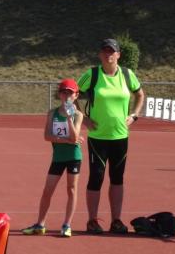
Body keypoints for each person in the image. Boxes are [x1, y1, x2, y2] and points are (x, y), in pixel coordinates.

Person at [77, 38, 145, 234]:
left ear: (118, 55)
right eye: (105, 51)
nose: (108, 54)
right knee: (96, 177)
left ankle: (116, 220)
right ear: (100, 54)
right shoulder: (92, 74)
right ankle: (92, 221)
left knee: (117, 178)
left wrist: (134, 115)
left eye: (112, 51)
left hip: (120, 136)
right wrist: (84, 118)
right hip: (98, 137)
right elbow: (72, 94)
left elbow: (140, 94)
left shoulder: (127, 74)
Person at [22, 78, 84, 238]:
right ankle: (40, 224)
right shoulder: (52, 113)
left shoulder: (78, 115)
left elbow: (75, 137)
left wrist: (69, 118)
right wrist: (66, 140)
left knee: (71, 189)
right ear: (59, 94)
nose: (67, 96)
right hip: (58, 157)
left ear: (76, 95)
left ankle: (67, 225)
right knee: (47, 190)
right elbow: (47, 136)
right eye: (64, 92)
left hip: (73, 156)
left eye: (70, 93)